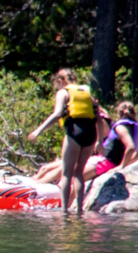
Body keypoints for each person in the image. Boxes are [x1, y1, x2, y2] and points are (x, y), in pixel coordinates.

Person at [30, 69, 105, 213]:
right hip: (90, 134)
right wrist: (99, 141)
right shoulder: (86, 94)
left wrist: (38, 131)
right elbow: (99, 118)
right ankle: (79, 210)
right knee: (78, 173)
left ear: (60, 80)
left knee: (66, 173)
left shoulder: (63, 93)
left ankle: (64, 210)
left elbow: (57, 114)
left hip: (74, 131)